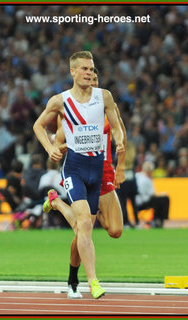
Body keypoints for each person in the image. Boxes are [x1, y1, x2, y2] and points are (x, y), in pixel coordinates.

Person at [33, 51, 125, 299]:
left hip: (99, 167)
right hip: (74, 167)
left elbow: (118, 128)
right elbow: (39, 126)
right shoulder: (60, 101)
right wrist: (52, 147)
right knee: (84, 224)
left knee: (93, 227)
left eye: (92, 69)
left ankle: (56, 203)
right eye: (85, 69)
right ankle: (90, 280)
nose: (90, 73)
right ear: (72, 71)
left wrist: (120, 150)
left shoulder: (104, 97)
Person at [135, 161, 170, 228]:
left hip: (136, 202)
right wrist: (163, 194)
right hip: (144, 202)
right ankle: (158, 219)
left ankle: (157, 219)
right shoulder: (147, 179)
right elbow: (153, 195)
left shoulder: (137, 175)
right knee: (164, 199)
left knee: (156, 201)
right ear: (149, 171)